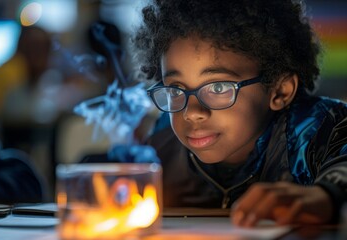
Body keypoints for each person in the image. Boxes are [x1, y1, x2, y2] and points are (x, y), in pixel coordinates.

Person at [131, 0, 347, 227]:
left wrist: (328, 193)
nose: (192, 113)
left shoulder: (325, 126)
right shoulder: (161, 145)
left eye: (217, 88)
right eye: (176, 89)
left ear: (279, 91)